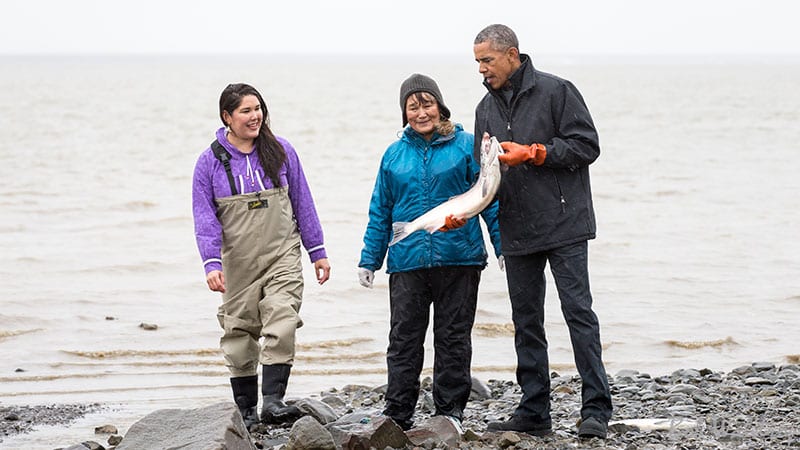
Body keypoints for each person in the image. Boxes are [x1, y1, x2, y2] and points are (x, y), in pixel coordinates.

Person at [471, 24, 613, 439]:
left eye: (487, 60)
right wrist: (468, 209)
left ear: (512, 54)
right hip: (516, 227)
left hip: (565, 224)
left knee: (578, 315)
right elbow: (488, 173)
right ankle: (535, 410)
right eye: (477, 61)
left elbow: (587, 146)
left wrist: (535, 153)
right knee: (526, 321)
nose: (481, 69)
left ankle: (596, 410)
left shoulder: (557, 91)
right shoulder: (485, 108)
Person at [358, 73, 502, 431]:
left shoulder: (467, 146)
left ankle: (450, 411)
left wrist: (503, 248)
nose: (421, 112)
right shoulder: (393, 155)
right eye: (412, 106)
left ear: (440, 106)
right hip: (407, 260)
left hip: (460, 258)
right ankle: (397, 411)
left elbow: (490, 200)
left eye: (427, 104)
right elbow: (381, 210)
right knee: (403, 338)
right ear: (404, 112)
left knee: (453, 337)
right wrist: (369, 259)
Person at [191, 83, 331, 428]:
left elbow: (303, 202)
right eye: (246, 111)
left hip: (281, 252)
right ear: (227, 116)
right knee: (238, 331)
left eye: (258, 109)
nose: (255, 117)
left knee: (282, 318)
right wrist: (211, 263)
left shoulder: (281, 150)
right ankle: (246, 411)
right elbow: (205, 218)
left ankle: (273, 402)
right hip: (237, 261)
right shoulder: (209, 162)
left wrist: (318, 251)